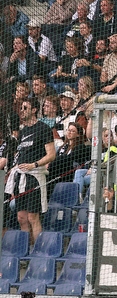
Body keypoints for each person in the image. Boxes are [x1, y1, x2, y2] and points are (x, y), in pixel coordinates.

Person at [13, 97, 57, 243]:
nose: (22, 111)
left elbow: (51, 154)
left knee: (33, 217)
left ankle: (37, 250)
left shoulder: (43, 128)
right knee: (21, 218)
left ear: (34, 110)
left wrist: (34, 165)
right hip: (20, 177)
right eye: (21, 108)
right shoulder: (23, 131)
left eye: (25, 108)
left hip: (34, 177)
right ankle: (25, 250)